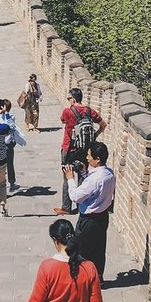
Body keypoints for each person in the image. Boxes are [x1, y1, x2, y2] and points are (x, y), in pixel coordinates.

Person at [65, 141, 116, 282]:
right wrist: (83, 172)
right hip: (102, 217)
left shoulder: (94, 179)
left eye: (89, 155)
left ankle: (82, 280)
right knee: (99, 249)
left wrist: (70, 179)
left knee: (81, 250)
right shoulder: (109, 173)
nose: (87, 158)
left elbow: (75, 196)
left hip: (89, 220)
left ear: (97, 159)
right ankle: (98, 278)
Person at [55, 88, 106, 216]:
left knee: (68, 175)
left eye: (69, 99)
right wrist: (95, 136)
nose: (68, 101)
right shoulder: (89, 111)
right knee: (83, 175)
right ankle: (81, 205)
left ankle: (66, 207)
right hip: (85, 149)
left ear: (73, 99)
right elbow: (103, 124)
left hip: (69, 148)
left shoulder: (67, 111)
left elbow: (63, 120)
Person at [0, 98, 25, 195]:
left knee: (9, 164)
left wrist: (5, 113)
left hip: (7, 143)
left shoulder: (9, 116)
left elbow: (11, 126)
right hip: (2, 144)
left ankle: (11, 182)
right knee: (4, 165)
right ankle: (3, 185)